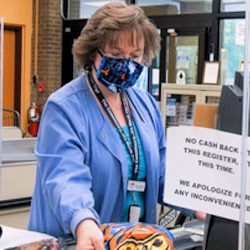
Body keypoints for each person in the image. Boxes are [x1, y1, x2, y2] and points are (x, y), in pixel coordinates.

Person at [28, 2, 205, 249]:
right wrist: (84, 221)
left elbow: (162, 167)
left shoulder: (144, 103)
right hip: (78, 241)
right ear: (93, 52)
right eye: (116, 54)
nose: (127, 63)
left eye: (135, 56)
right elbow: (64, 177)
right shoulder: (64, 107)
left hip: (134, 243)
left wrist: (198, 199)